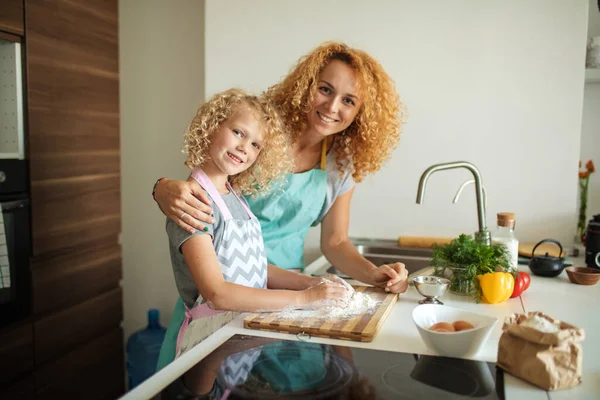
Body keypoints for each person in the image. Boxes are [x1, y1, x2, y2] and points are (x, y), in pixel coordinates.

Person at [154, 42, 409, 370]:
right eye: (325, 89)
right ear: (307, 85)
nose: (332, 106)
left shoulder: (341, 166)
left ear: (361, 112)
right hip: (219, 291)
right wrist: (161, 188)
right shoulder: (261, 135)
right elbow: (207, 185)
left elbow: (335, 242)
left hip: (287, 294)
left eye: (348, 100)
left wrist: (374, 274)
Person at [166, 88, 353, 358]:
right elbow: (218, 294)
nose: (244, 148)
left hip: (241, 335)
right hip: (208, 343)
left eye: (256, 144)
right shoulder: (194, 202)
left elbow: (256, 270)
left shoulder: (236, 198)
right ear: (211, 126)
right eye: (238, 133)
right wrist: (304, 299)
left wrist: (312, 283)